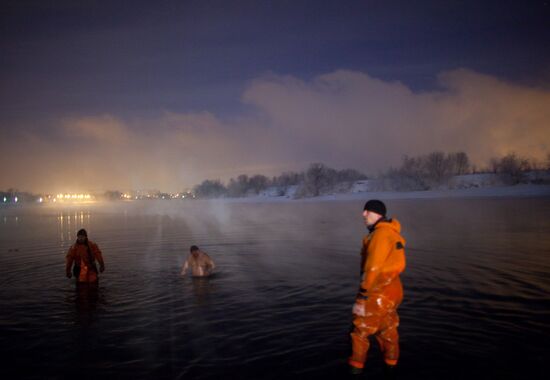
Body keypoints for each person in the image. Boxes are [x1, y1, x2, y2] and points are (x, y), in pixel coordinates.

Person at [348, 200, 406, 375]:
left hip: (376, 291)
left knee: (360, 331)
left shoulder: (379, 235)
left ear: (378, 213)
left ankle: (355, 369)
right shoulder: (393, 234)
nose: (363, 214)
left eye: (367, 211)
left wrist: (364, 292)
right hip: (393, 290)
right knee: (387, 329)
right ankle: (391, 364)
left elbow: (373, 267)